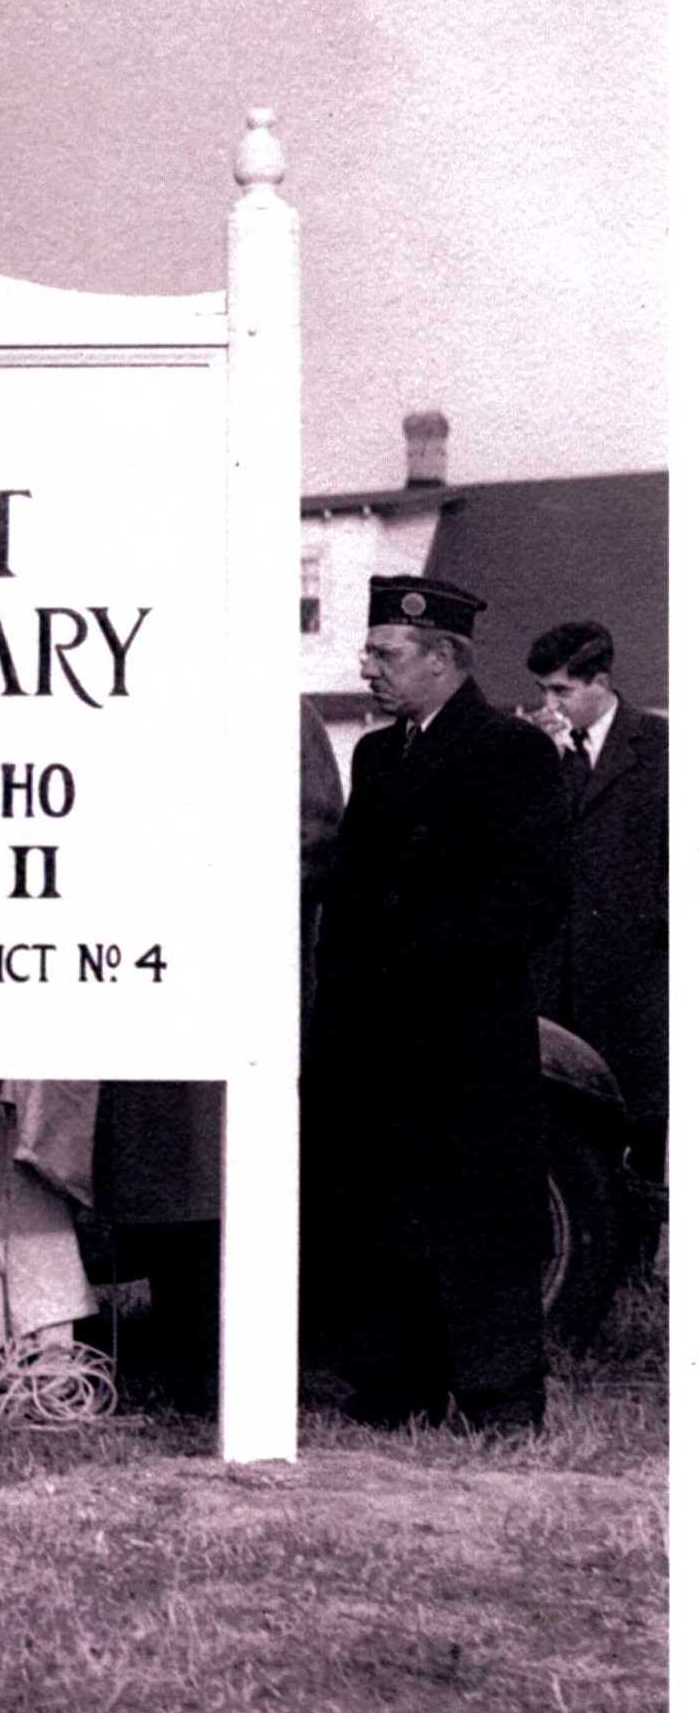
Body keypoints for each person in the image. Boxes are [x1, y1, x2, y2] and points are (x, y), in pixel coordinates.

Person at [305, 576, 570, 1432]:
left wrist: (420, 959)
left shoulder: (514, 753)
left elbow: (531, 898)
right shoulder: (377, 756)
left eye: (385, 654)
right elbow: (349, 896)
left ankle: (497, 1401)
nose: (367, 668)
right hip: (377, 1036)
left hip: (465, 1037)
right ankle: (395, 1388)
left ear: (442, 659)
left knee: (482, 1219)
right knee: (388, 1211)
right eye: (368, 652)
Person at [524, 620, 667, 1177]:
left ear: (601, 682)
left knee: (642, 1133)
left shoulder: (660, 748)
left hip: (634, 982)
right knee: (567, 1138)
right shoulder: (541, 753)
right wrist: (541, 762)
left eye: (562, 690)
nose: (549, 703)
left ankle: (644, 1264)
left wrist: (651, 928)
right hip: (554, 982)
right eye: (542, 690)